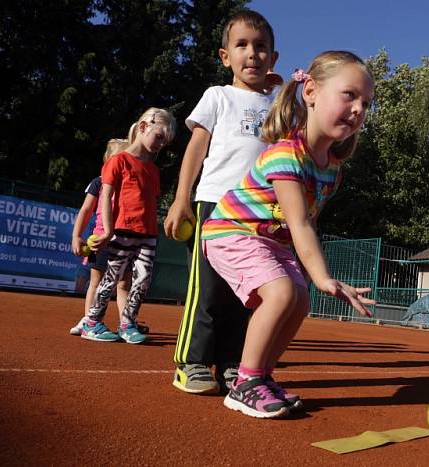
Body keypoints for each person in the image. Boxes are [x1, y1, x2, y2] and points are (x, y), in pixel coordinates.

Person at [203, 50, 376, 418]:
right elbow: (299, 222)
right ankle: (244, 383)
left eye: (366, 102)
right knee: (282, 292)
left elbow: (303, 223)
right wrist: (323, 276)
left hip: (270, 240)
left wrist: (309, 279)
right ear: (310, 91)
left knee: (299, 299)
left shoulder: (332, 169)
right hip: (232, 231)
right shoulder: (286, 153)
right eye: (349, 95)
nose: (359, 109)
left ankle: (261, 376)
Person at [165, 9, 279, 394]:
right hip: (214, 204)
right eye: (242, 45)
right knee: (208, 289)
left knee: (245, 292)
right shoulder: (218, 96)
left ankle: (232, 362)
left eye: (261, 47)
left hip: (258, 213)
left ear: (273, 59)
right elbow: (196, 149)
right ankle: (191, 362)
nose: (252, 54)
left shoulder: (279, 107)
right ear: (225, 55)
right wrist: (182, 198)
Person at [81, 107, 175, 344]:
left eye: (165, 142)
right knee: (111, 278)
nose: (161, 144)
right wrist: (109, 230)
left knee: (142, 281)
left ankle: (128, 323)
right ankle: (91, 322)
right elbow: (105, 196)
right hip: (123, 230)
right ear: (144, 127)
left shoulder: (153, 170)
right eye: (159, 137)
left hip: (149, 234)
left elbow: (150, 202)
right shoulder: (118, 161)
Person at [69, 139, 134, 336]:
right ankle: (88, 321)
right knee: (95, 281)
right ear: (108, 160)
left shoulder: (130, 185)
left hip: (124, 240)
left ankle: (126, 325)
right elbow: (86, 209)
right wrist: (76, 236)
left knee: (124, 283)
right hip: (100, 240)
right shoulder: (98, 182)